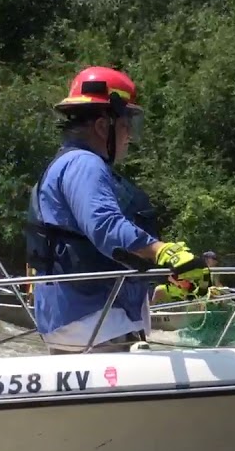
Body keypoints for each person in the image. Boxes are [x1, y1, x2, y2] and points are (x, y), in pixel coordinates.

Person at [26, 66, 210, 353]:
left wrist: (165, 281)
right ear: (103, 126)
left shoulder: (69, 164)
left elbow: (101, 252)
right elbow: (105, 226)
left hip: (86, 323)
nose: (130, 137)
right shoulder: (84, 165)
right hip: (97, 325)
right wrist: (164, 251)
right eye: (126, 125)